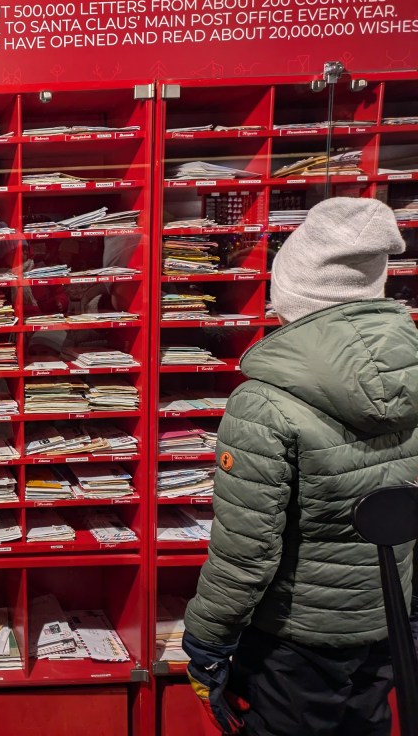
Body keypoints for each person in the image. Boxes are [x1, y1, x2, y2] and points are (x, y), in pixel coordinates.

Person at [182, 196, 418, 736]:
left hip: (295, 640)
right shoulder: (413, 381)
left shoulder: (265, 402)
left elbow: (247, 553)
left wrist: (207, 640)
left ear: (291, 290)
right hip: (387, 625)